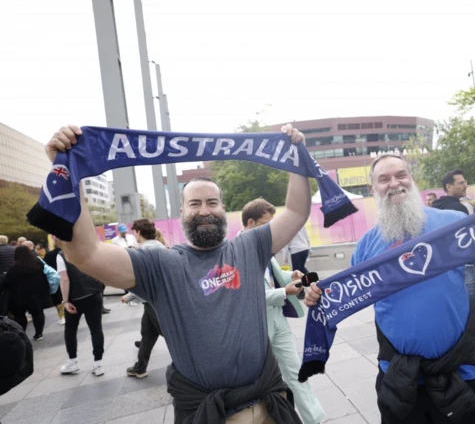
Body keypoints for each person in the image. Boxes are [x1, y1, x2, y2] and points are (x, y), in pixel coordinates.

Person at [46, 123, 310, 424]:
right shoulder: (159, 264)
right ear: (182, 212)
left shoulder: (250, 245)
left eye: (212, 202)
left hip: (269, 406)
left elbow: (296, 212)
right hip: (211, 414)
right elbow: (86, 253)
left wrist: (295, 157)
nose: (204, 210)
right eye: (194, 204)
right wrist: (69, 175)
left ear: (223, 209)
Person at [305, 154, 475, 424]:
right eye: (384, 179)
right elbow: (341, 297)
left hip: (461, 372)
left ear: (412, 180)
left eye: (401, 175)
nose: (395, 183)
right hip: (399, 380)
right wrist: (316, 296)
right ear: (373, 190)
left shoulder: (452, 223)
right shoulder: (365, 247)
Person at [242, 199, 326, 424]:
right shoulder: (237, 252)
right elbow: (247, 296)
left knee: (296, 372)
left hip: (278, 320)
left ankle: (314, 419)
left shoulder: (264, 246)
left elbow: (273, 277)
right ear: (250, 223)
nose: (272, 230)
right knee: (254, 381)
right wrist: (284, 292)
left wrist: (293, 276)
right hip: (256, 326)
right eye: (266, 224)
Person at [123, 218, 166, 379]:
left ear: (139, 232)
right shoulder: (161, 247)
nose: (134, 234)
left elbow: (143, 280)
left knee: (170, 335)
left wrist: (130, 295)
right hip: (157, 300)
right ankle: (140, 367)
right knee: (147, 334)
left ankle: (190, 363)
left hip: (153, 302)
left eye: (134, 231)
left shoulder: (141, 252)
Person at [57, 250, 106, 376]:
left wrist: (65, 300)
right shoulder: (86, 250)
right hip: (94, 293)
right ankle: (98, 364)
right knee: (96, 328)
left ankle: (72, 361)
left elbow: (64, 279)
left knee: (71, 329)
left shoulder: (62, 255)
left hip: (75, 298)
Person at [3, 246, 50, 340]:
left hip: (19, 295)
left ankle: (22, 334)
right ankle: (39, 333)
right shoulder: (38, 263)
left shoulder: (14, 266)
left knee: (19, 316)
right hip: (36, 293)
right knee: (38, 313)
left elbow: (7, 281)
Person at [44, 238, 66, 326]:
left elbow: (47, 268)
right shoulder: (68, 252)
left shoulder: (49, 255)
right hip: (68, 276)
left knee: (58, 299)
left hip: (55, 279)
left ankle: (62, 316)